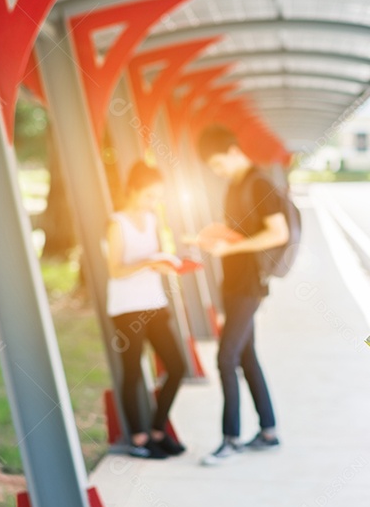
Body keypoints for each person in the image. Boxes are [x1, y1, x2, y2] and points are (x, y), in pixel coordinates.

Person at [195, 125, 289, 466]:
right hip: (232, 281)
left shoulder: (259, 182)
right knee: (246, 356)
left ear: (234, 151)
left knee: (225, 358)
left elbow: (279, 233)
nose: (218, 172)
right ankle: (269, 432)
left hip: (249, 283)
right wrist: (212, 239)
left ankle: (230, 439)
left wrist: (232, 248)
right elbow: (238, 232)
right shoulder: (236, 184)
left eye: (219, 165)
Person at [106, 161, 187, 459]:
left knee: (177, 367)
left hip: (154, 303)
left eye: (158, 197)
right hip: (127, 308)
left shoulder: (152, 219)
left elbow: (153, 256)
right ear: (134, 190)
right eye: (150, 195)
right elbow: (116, 270)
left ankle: (156, 429)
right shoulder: (117, 222)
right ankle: (139, 440)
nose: (154, 202)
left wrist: (165, 264)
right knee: (133, 372)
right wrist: (148, 262)